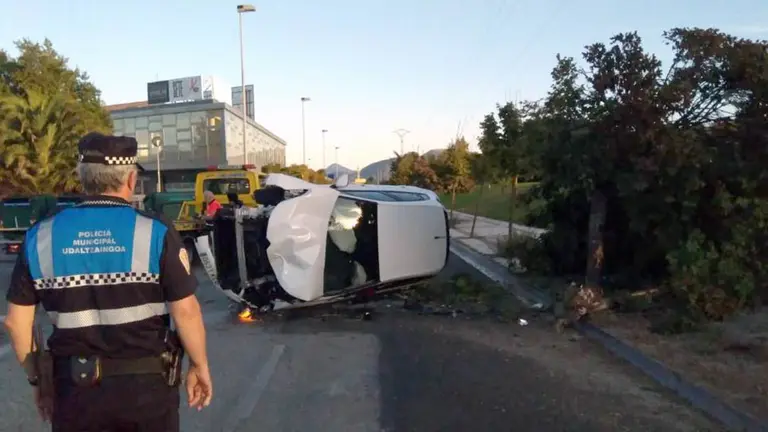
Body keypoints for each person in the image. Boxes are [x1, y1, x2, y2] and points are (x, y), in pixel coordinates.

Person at [2, 132, 213, 431]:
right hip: (146, 394)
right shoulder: (155, 231)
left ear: (81, 178)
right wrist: (199, 364)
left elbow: (15, 323)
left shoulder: (40, 236)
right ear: (130, 180)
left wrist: (37, 381)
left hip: (73, 394)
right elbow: (186, 312)